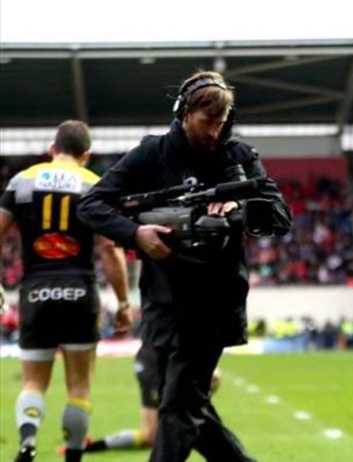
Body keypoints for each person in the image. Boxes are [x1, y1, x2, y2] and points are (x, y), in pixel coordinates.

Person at [77, 70, 292, 462]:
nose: (215, 131)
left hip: (214, 301)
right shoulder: (152, 154)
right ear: (184, 113)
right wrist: (134, 234)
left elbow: (279, 216)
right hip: (162, 299)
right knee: (184, 402)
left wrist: (239, 210)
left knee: (178, 408)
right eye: (207, 121)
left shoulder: (238, 157)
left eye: (221, 122)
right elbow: (91, 204)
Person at [0, 120, 133, 462]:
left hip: (34, 289)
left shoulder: (21, 181)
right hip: (79, 290)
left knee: (32, 383)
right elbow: (108, 248)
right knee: (79, 387)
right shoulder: (94, 184)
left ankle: (27, 442)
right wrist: (122, 302)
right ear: (85, 155)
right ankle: (73, 455)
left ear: (51, 149)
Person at [81, 341, 222, 454]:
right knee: (152, 435)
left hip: (167, 357)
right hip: (154, 361)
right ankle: (90, 446)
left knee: (184, 420)